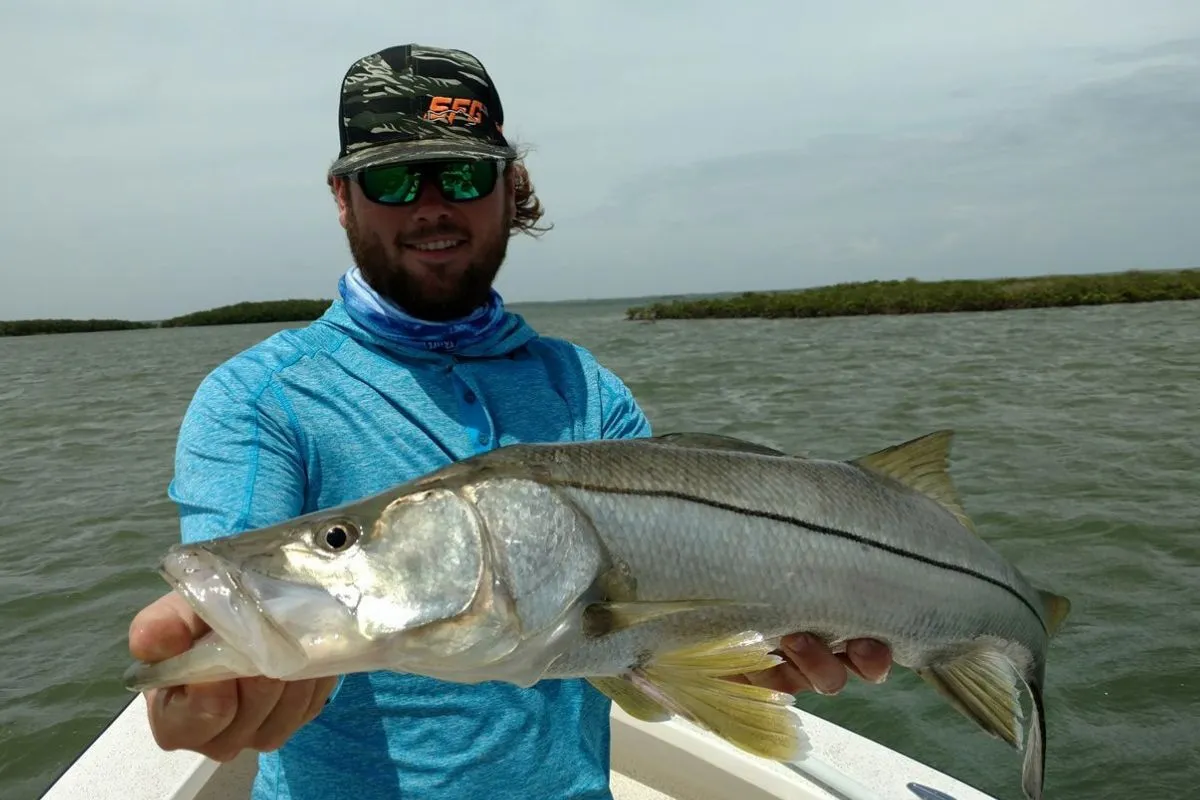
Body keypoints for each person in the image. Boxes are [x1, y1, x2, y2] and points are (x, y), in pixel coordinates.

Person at [126, 43, 893, 799]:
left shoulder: (588, 390)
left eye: (461, 174)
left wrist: (755, 659)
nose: (431, 206)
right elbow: (237, 578)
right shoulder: (261, 397)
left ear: (508, 187)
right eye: (391, 179)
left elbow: (643, 646)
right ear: (341, 197)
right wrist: (211, 683)